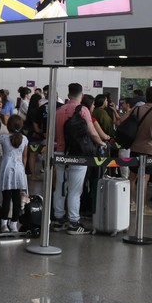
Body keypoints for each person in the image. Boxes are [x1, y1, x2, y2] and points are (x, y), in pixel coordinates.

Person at [52, 83, 104, 235]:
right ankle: (73, 223)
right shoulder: (83, 110)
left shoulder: (59, 110)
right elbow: (93, 133)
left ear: (68, 94)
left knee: (61, 187)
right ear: (81, 95)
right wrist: (101, 143)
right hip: (78, 155)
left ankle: (58, 220)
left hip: (61, 153)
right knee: (75, 190)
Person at [126, 86, 152, 215]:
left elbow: (121, 121)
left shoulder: (136, 109)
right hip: (149, 149)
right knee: (144, 179)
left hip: (134, 147)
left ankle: (131, 203)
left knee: (132, 177)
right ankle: (142, 206)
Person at [0, 115, 28, 235]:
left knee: (6, 199)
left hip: (6, 170)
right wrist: (22, 169)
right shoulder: (24, 139)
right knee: (17, 199)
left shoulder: (3, 138)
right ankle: (14, 224)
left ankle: (3, 224)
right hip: (19, 170)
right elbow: (24, 157)